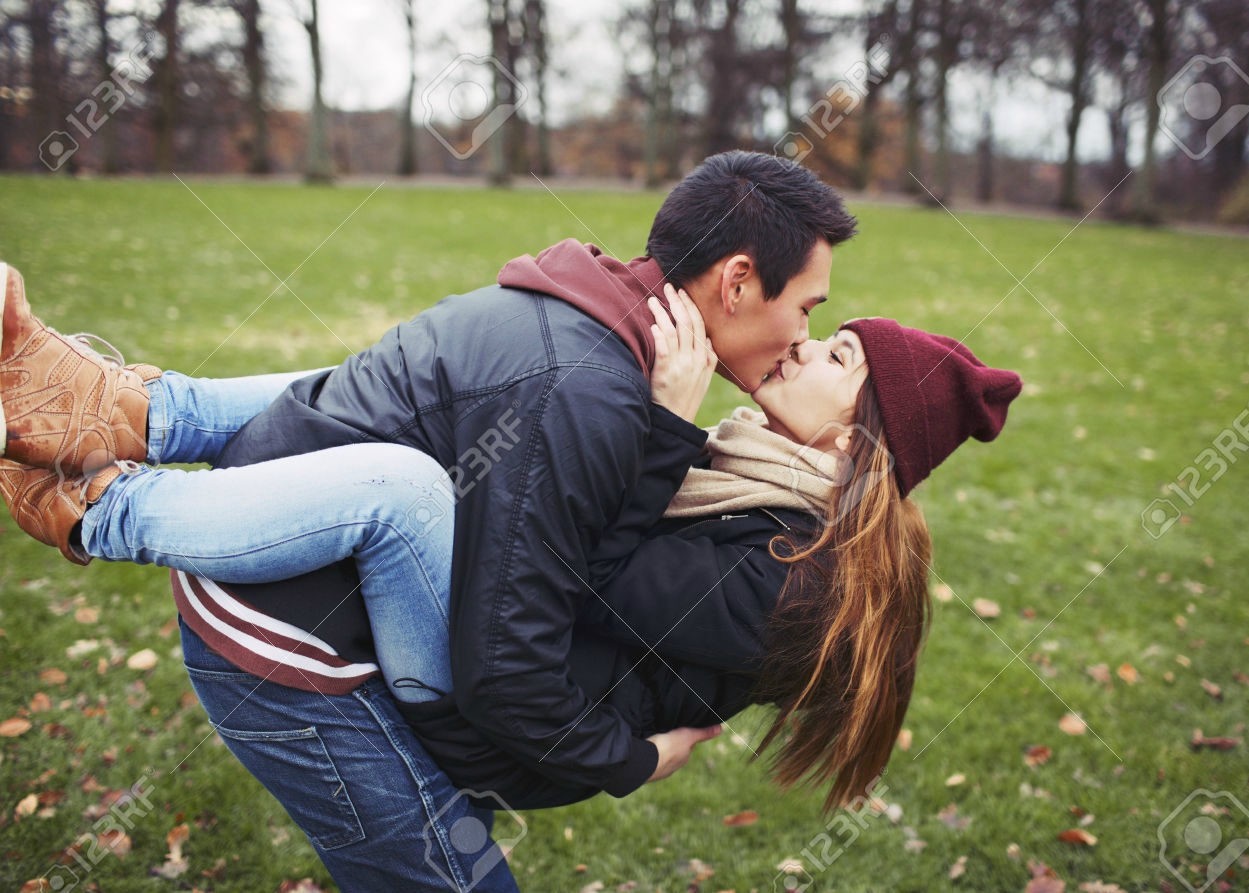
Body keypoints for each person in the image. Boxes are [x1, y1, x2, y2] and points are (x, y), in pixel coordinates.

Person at [2, 263, 1022, 891]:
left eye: (835, 353)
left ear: (860, 435)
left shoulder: (796, 583)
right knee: (434, 398)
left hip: (505, 703)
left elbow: (587, 572)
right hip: (511, 653)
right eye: (820, 326)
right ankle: (122, 406)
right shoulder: (761, 478)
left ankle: (103, 509)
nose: (801, 344)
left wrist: (658, 423)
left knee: (402, 484)